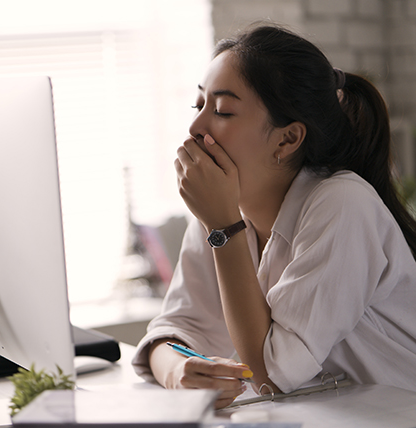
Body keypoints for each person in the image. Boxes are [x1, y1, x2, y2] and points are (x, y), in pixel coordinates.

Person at [132, 23, 416, 409]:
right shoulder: (220, 208)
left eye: (223, 111)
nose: (196, 127)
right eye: (198, 105)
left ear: (287, 139)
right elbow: (174, 329)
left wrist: (222, 228)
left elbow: (269, 376)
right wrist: (177, 372)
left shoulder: (343, 204)